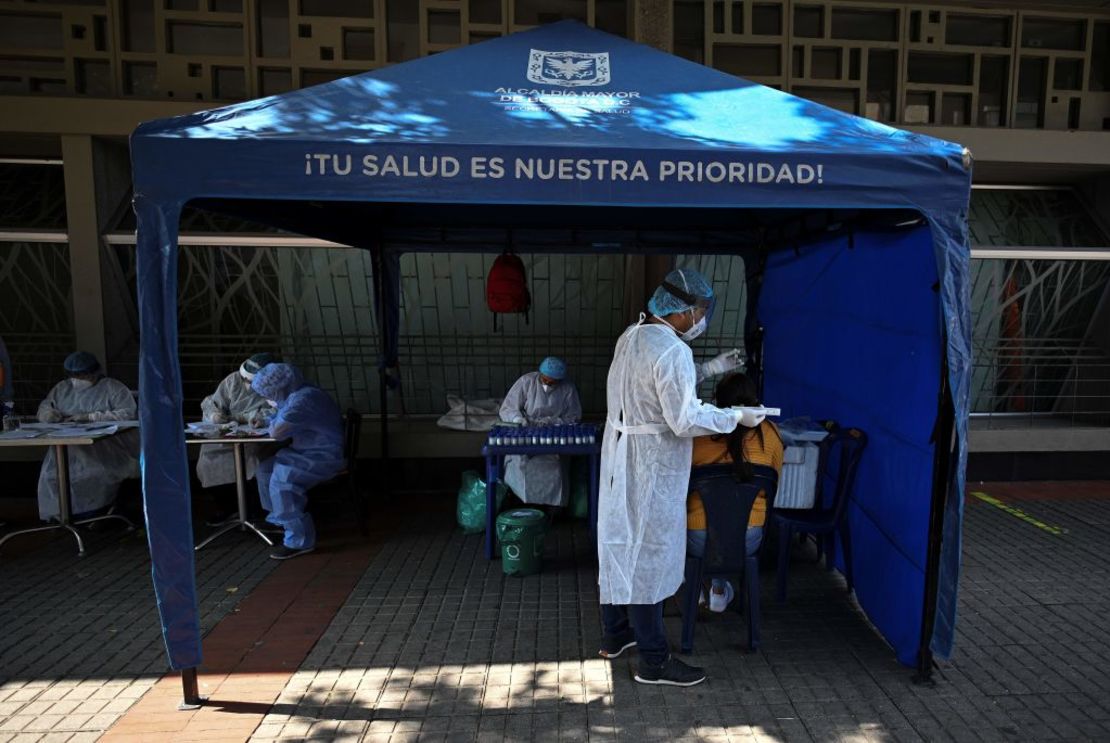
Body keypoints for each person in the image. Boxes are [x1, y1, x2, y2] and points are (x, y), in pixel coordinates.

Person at [596, 268, 764, 687]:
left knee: (619, 540)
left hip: (621, 455)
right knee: (647, 557)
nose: (702, 320)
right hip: (651, 464)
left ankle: (616, 635)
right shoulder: (672, 352)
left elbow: (654, 387)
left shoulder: (632, 335)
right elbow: (683, 416)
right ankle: (654, 661)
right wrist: (733, 417)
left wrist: (707, 369)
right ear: (684, 311)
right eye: (701, 312)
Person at [686, 372, 784, 612]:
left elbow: (680, 485)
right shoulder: (771, 434)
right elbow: (775, 481)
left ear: (718, 402)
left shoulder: (698, 436)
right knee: (729, 523)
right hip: (748, 539)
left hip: (697, 538)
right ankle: (719, 590)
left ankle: (693, 583)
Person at [251, 363, 345, 560]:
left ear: (278, 388)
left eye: (268, 393)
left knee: (282, 480)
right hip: (307, 451)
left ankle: (298, 540)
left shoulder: (304, 399)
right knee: (265, 470)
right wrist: (268, 420)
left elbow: (278, 432)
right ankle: (280, 521)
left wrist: (272, 423)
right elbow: (282, 417)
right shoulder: (298, 393)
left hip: (322, 455)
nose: (268, 397)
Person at [36, 352, 140, 520]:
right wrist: (48, 415)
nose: (78, 379)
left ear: (95, 371)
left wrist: (91, 417)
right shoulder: (62, 389)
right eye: (74, 375)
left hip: (106, 449)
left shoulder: (113, 388)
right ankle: (63, 516)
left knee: (97, 474)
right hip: (68, 449)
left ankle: (96, 515)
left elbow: (127, 413)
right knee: (52, 477)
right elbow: (45, 407)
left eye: (83, 374)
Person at [499, 357, 583, 509]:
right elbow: (508, 408)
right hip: (525, 432)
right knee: (522, 465)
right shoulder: (526, 382)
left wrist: (554, 422)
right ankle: (522, 503)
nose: (548, 385)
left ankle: (552, 508)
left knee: (555, 469)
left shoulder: (568, 388)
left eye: (553, 382)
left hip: (554, 434)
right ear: (540, 374)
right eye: (545, 380)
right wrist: (518, 420)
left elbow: (573, 416)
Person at [196, 353, 278, 489]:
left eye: (251, 382)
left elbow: (277, 410)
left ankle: (248, 498)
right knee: (210, 459)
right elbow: (213, 403)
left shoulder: (274, 385)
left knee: (252, 462)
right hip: (226, 433)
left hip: (256, 438)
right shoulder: (233, 380)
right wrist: (214, 415)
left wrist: (255, 418)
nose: (247, 384)